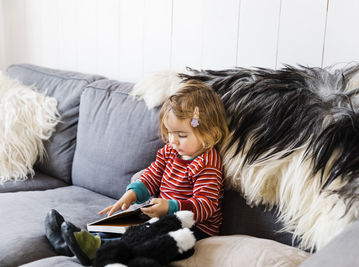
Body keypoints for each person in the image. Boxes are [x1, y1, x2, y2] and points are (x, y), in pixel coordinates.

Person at [45, 80, 229, 266]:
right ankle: (72, 242)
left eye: (181, 135)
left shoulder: (207, 164)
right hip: (162, 215)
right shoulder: (170, 151)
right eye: (169, 133)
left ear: (211, 134)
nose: (172, 141)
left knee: (144, 235)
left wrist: (171, 207)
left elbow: (206, 205)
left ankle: (97, 248)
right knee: (120, 223)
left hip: (193, 227)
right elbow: (153, 175)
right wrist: (133, 193)